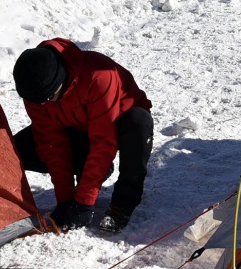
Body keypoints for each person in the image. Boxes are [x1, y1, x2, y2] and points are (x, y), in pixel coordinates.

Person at [11, 39, 152, 234]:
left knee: (139, 122)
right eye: (39, 102)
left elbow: (104, 142)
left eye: (49, 99)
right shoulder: (36, 92)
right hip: (78, 127)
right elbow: (51, 143)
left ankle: (123, 202)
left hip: (118, 123)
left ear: (61, 80)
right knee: (18, 149)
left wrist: (84, 201)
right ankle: (92, 171)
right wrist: (65, 199)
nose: (44, 105)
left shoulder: (99, 75)